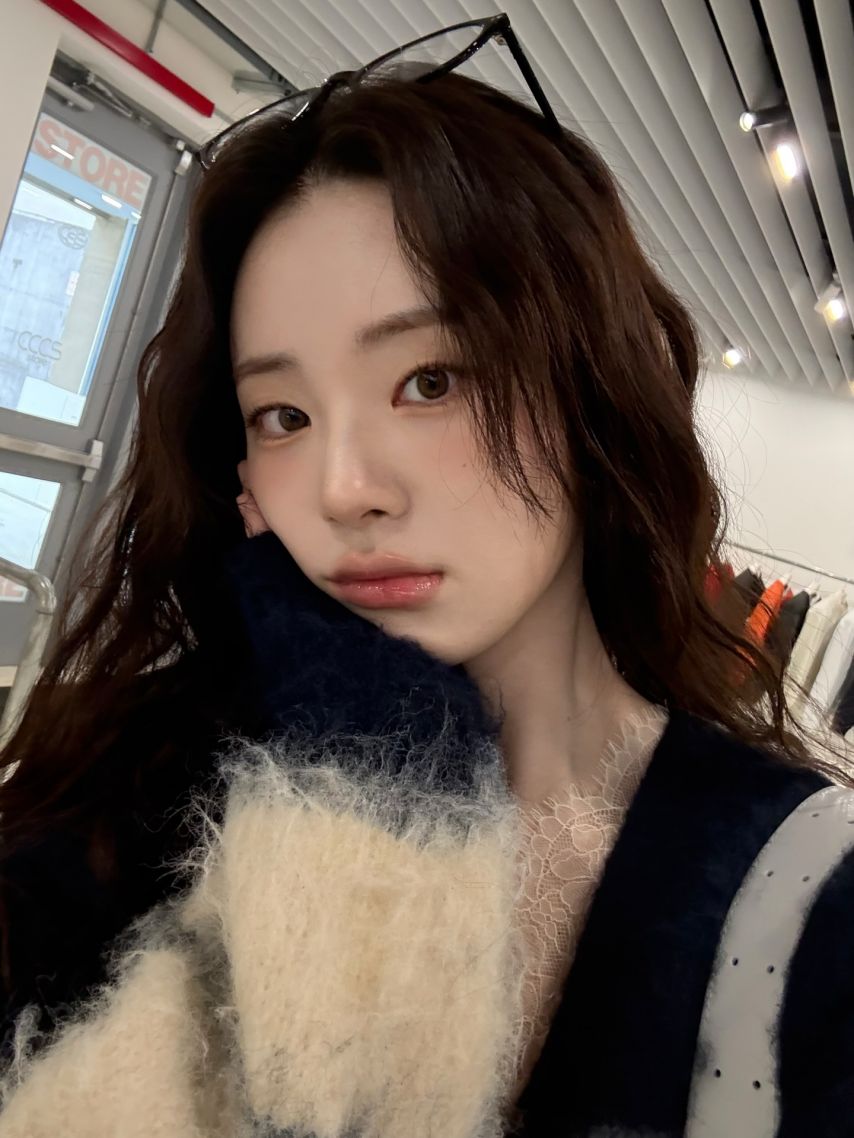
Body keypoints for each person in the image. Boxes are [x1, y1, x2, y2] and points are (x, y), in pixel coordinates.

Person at [0, 16, 851, 1138]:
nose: (344, 488)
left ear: (593, 387)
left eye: (431, 380)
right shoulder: (127, 779)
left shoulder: (799, 891)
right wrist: (362, 744)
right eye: (283, 414)